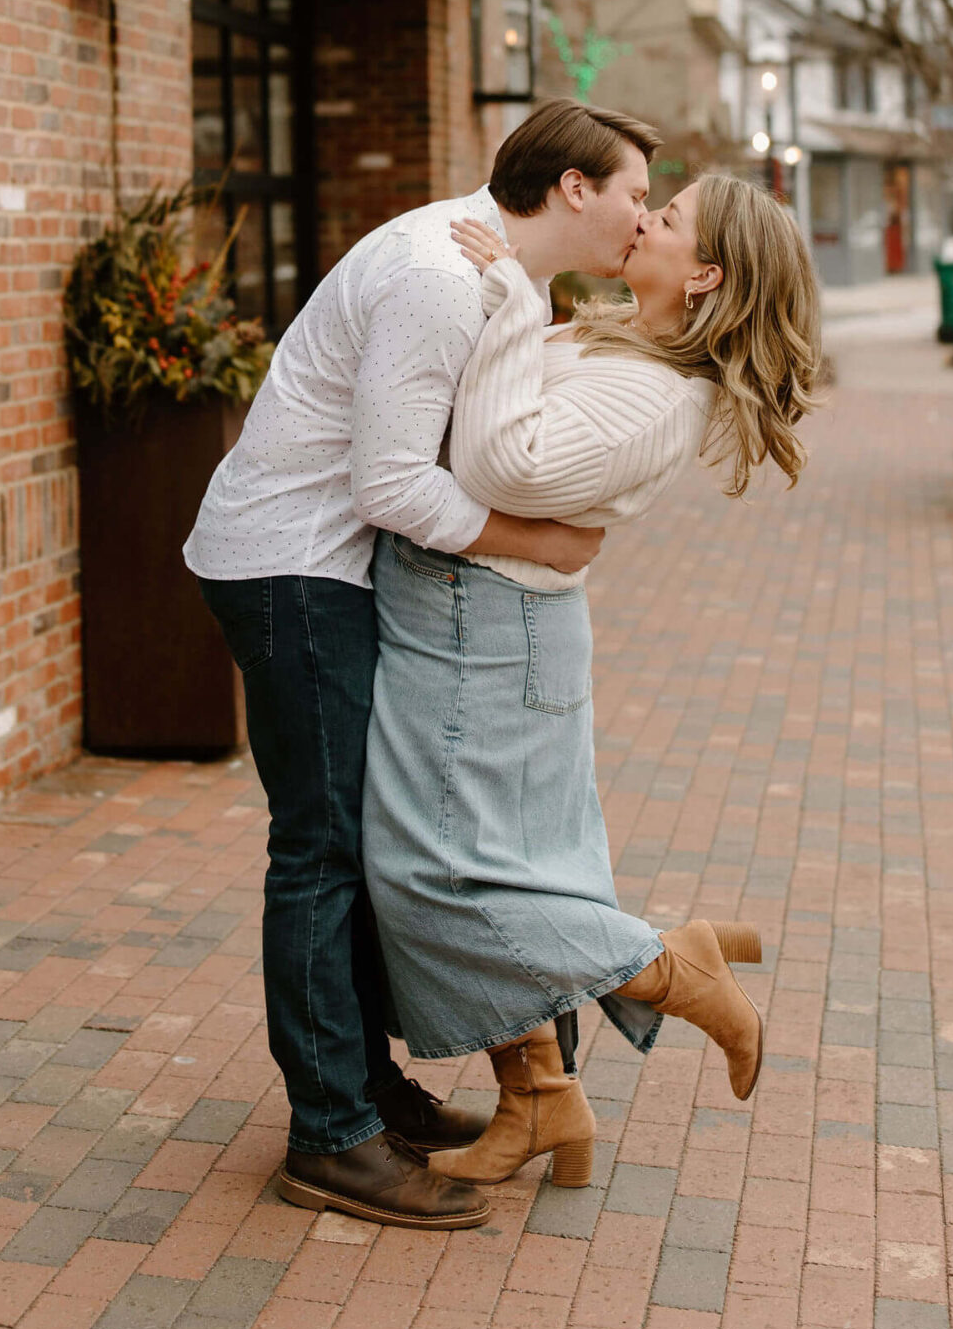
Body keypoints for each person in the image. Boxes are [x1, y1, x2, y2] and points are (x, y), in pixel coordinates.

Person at [184, 101, 661, 1230]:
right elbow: (391, 485)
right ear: (576, 187)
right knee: (323, 844)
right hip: (293, 568)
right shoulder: (440, 276)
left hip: (332, 569)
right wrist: (537, 541)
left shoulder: (499, 276)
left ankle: (372, 1093)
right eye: (637, 191)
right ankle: (330, 1136)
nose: (645, 216)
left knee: (360, 836)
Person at [363, 171, 823, 1191]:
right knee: (504, 863)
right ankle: (539, 1095)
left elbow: (496, 464)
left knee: (437, 878)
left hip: (484, 627)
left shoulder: (652, 392)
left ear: (703, 272)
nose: (643, 220)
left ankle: (671, 965)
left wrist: (519, 308)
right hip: (482, 616)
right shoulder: (628, 340)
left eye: (666, 217)